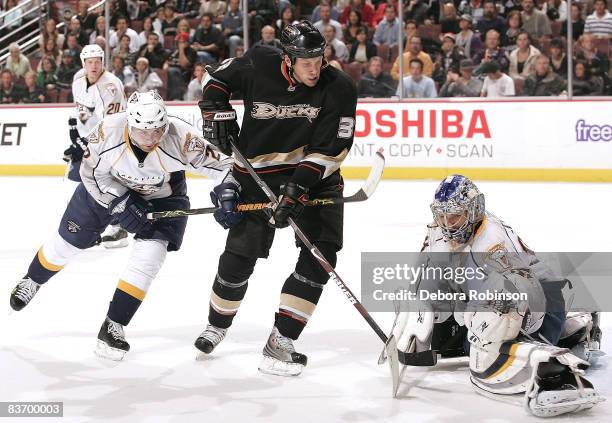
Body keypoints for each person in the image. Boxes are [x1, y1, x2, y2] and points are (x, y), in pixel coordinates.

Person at [9, 90, 235, 361]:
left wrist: (228, 190)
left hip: (162, 196)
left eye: (157, 130)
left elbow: (222, 166)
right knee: (67, 245)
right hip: (107, 188)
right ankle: (32, 279)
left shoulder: (181, 135)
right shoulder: (107, 131)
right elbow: (90, 174)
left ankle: (113, 326)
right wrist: (119, 201)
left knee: (149, 259)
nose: (151, 138)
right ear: (130, 124)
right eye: (144, 131)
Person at [194, 20, 357, 376]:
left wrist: (297, 189)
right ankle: (217, 324)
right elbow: (215, 79)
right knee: (239, 255)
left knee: (321, 255)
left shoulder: (339, 88)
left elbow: (332, 149)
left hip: (314, 182)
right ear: (287, 57)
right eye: (305, 61)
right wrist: (214, 109)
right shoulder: (258, 63)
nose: (314, 68)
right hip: (256, 176)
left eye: (318, 58)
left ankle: (281, 338)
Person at [391, 175, 603, 418]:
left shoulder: (493, 241)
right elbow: (426, 277)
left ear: (474, 210)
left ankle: (563, 347)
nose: (448, 224)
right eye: (442, 216)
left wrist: (475, 323)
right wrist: (415, 324)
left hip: (540, 301)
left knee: (485, 353)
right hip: (489, 297)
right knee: (449, 338)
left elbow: (515, 297)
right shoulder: (440, 231)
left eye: (455, 215)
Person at [64, 45, 129, 248]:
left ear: (103, 62)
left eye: (97, 61)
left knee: (99, 183)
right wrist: (75, 135)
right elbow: (81, 113)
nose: (94, 66)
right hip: (93, 143)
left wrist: (87, 145)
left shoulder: (111, 85)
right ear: (83, 63)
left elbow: (113, 126)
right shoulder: (78, 82)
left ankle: (118, 226)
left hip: (115, 143)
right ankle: (108, 223)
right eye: (89, 62)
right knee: (79, 176)